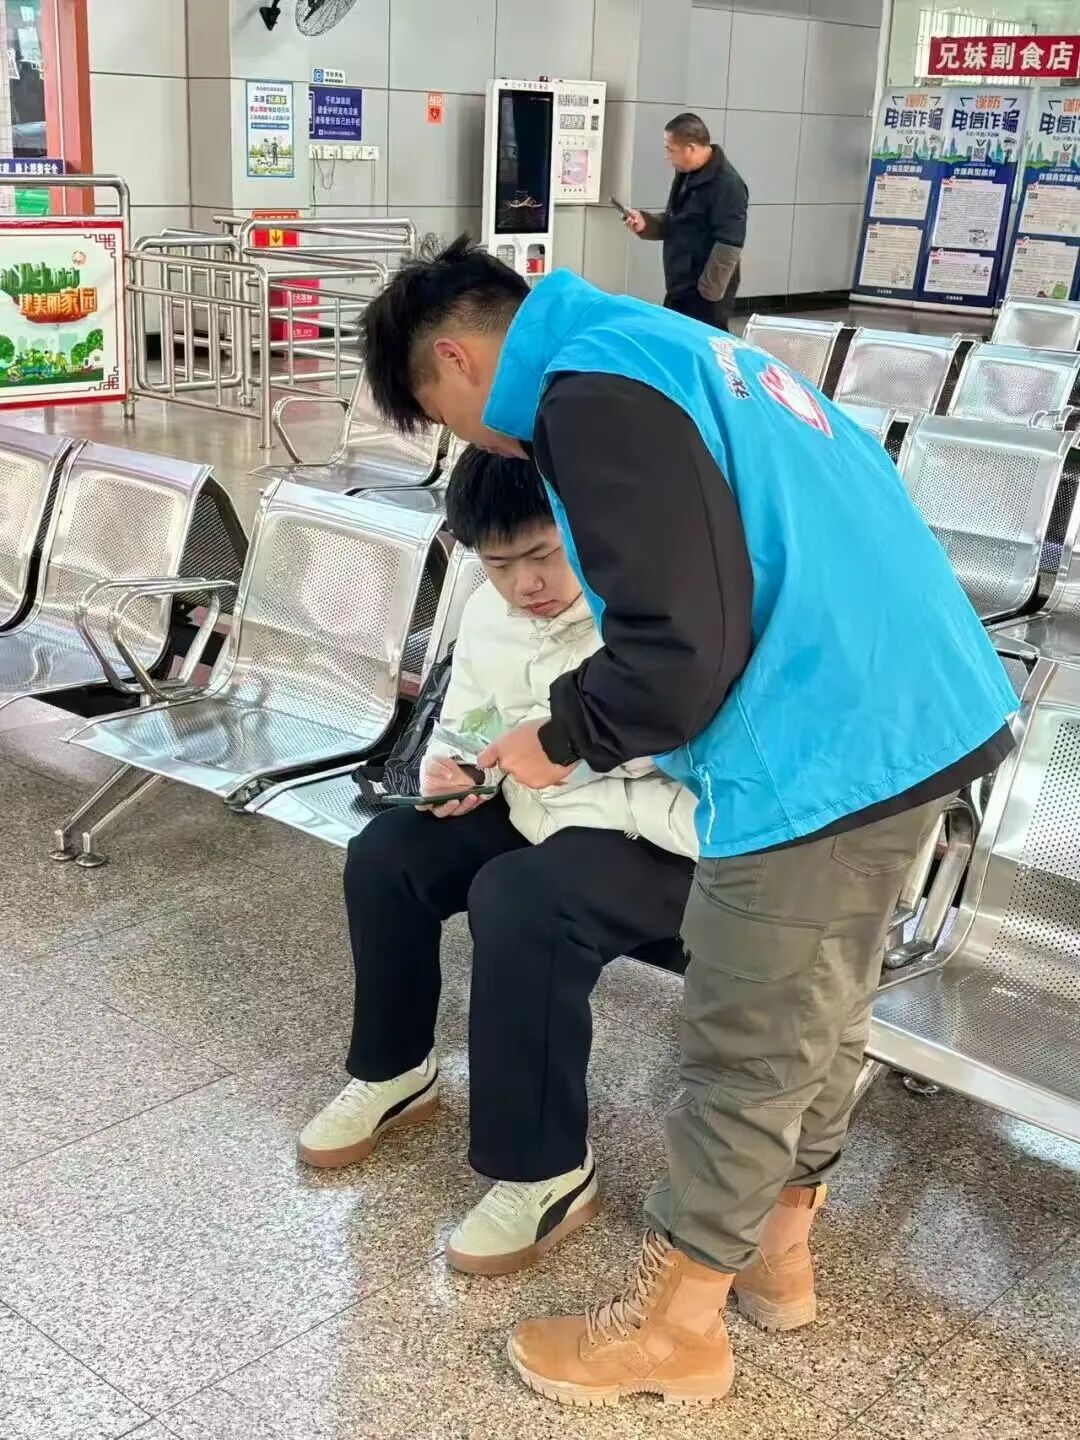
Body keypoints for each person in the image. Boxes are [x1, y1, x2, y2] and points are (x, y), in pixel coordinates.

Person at [357, 237, 1017, 1408]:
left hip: (821, 739)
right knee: (824, 1005)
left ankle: (676, 1329)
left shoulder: (585, 393)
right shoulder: (664, 345)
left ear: (454, 359)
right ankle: (778, 1254)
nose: (476, 442)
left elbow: (677, 649)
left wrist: (560, 737)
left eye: (446, 419)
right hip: (915, 710)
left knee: (747, 1038)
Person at [298, 446, 697, 1278]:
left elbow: (686, 754)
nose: (527, 584)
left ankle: (545, 1170)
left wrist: (562, 750)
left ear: (585, 529)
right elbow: (469, 722)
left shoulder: (652, 614)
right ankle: (395, 1070)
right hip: (536, 811)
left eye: (544, 555)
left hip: (658, 835)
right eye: (501, 564)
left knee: (522, 900)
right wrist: (452, 773)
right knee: (388, 853)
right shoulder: (487, 610)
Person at [624, 112, 747, 330]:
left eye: (670, 149)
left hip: (705, 292)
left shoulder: (728, 185)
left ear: (690, 148)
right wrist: (646, 224)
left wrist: (707, 294)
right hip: (680, 283)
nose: (667, 156)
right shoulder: (686, 174)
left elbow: (729, 245)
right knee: (672, 338)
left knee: (702, 343)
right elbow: (677, 221)